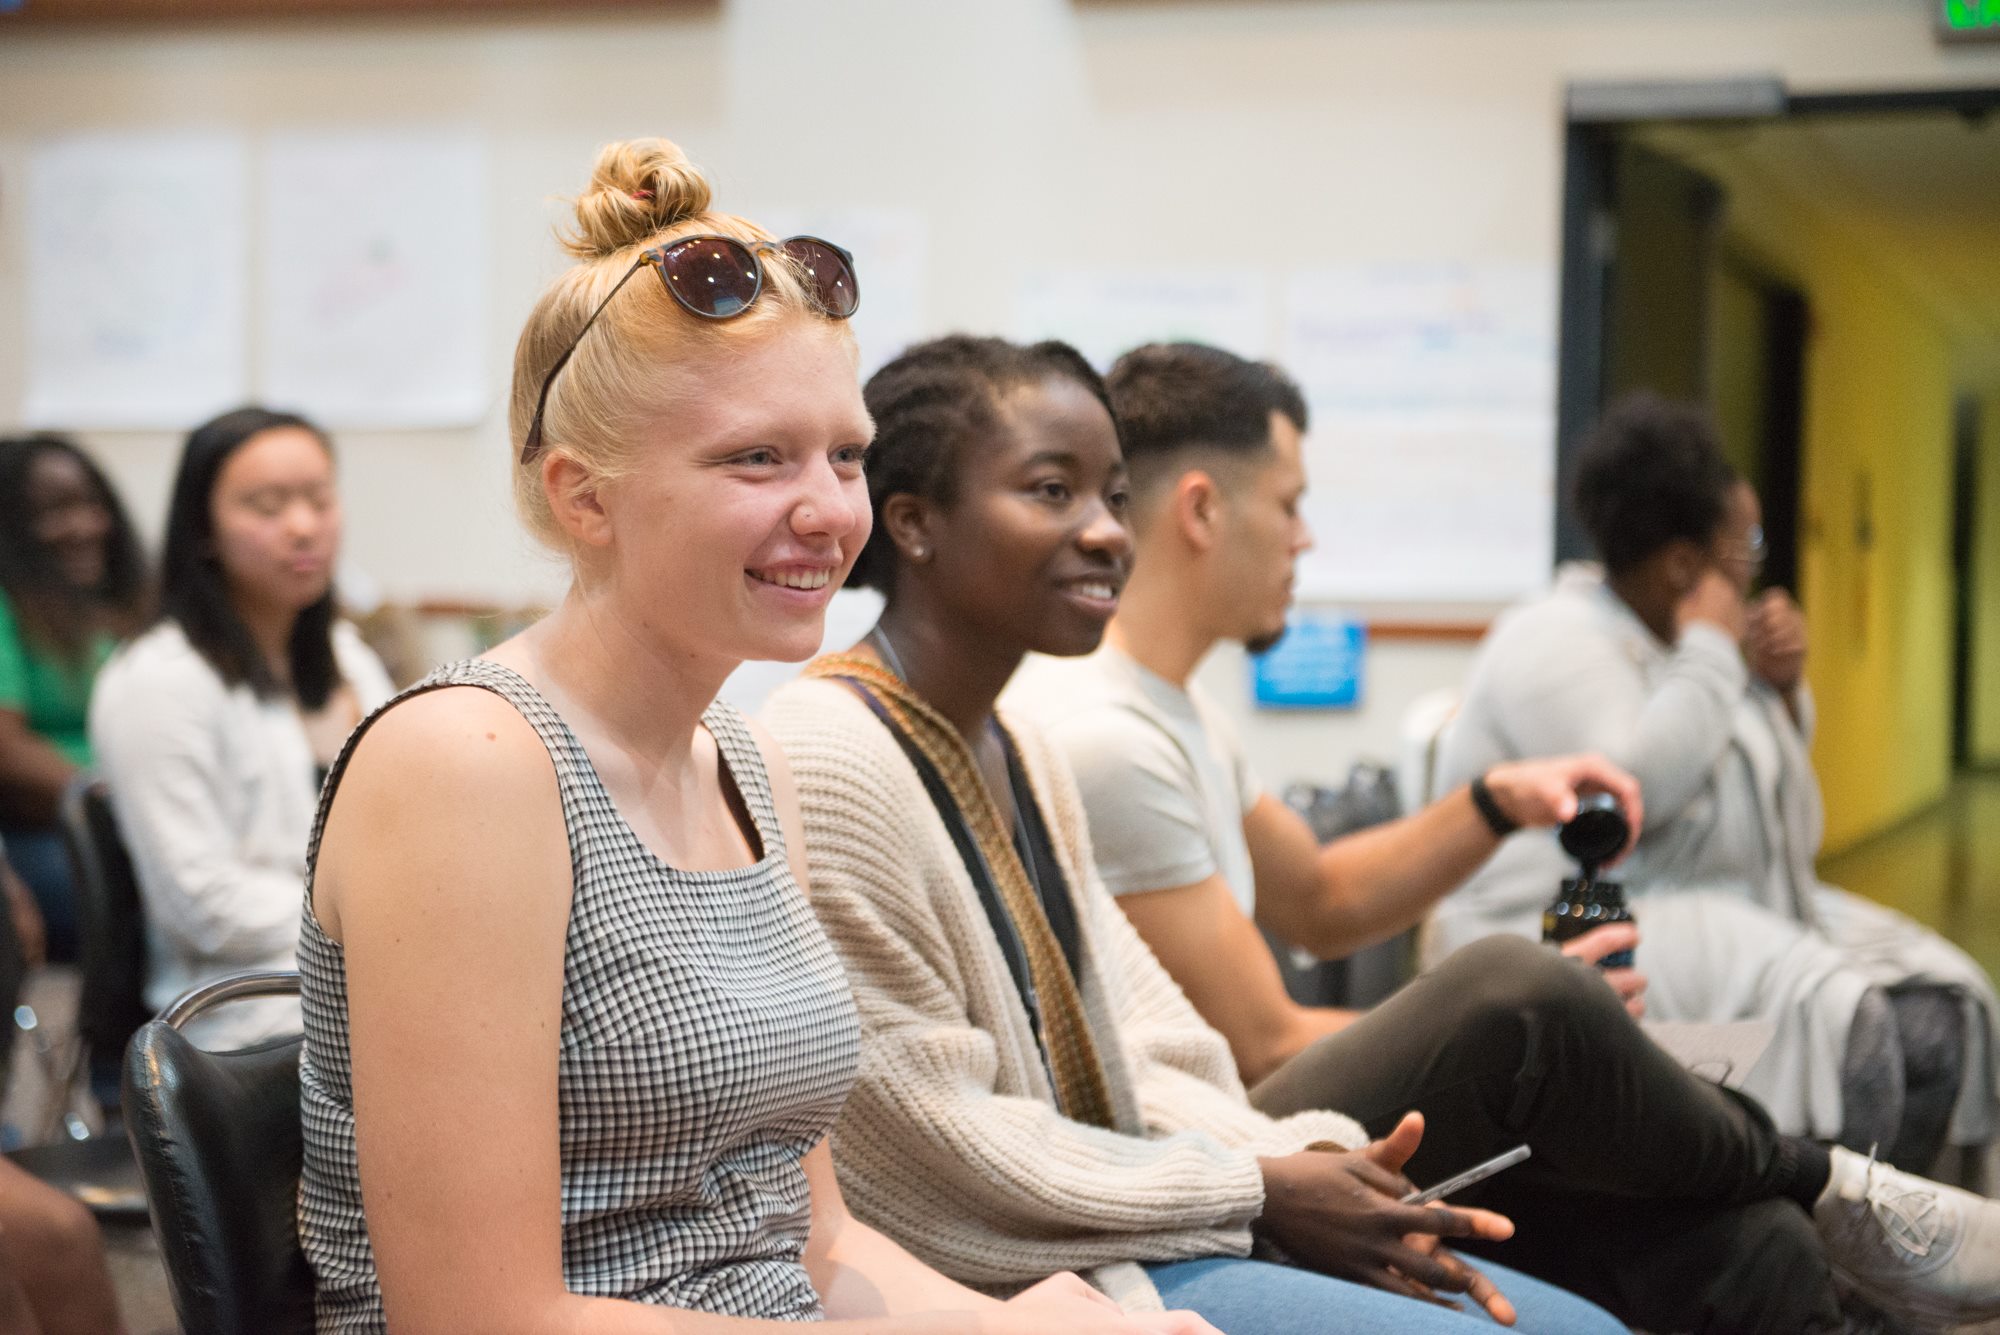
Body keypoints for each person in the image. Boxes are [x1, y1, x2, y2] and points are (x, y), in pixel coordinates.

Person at [297, 138, 1215, 1335]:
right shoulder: (467, 764)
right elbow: (480, 1318)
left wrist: (1022, 1324)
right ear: (584, 498)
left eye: (843, 455)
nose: (831, 511)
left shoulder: (747, 760)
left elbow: (816, 1243)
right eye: (755, 459)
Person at [1006, 342, 2000, 1333]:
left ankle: (1814, 1204)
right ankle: (1837, 1186)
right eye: (1289, 504)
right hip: (1229, 1144)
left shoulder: (1176, 710)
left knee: (1747, 1247)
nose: (1304, 539)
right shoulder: (1102, 734)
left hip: (1267, 1108)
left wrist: (1492, 802)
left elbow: (1323, 896)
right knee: (1520, 995)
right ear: (1200, 510)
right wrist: (1539, 1035)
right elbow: (1255, 1041)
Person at [767, 333, 1628, 1334]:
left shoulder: (1021, 748)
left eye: (1114, 498)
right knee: (1522, 1002)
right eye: (1052, 492)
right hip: (1018, 1282)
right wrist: (1259, 1189)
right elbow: (928, 1144)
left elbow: (1150, 1045)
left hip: (1142, 1221)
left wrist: (1305, 1168)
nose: (1104, 535)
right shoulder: (828, 757)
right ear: (912, 524)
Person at [1428, 392, 2000, 1175]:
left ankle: (1886, 1267)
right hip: (1554, 927)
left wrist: (1780, 686)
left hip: (1713, 902)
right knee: (1855, 1022)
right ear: (1682, 566)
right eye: (1745, 548)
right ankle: (1828, 1253)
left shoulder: (1669, 640)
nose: (1754, 572)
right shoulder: (1553, 639)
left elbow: (1770, 800)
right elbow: (1637, 791)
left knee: (1948, 1003)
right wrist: (1711, 646)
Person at [90, 408, 395, 1051]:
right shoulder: (159, 680)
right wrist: (383, 915)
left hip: (367, 973)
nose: (304, 527)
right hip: (247, 1015)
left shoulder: (348, 657)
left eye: (319, 498)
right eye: (267, 506)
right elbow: (200, 903)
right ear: (202, 529)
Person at [0, 433, 149, 961]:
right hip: (47, 834)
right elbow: (6, 747)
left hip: (138, 814)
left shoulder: (121, 603)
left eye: (91, 504)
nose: (85, 526)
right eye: (56, 511)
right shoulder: (9, 607)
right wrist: (112, 794)